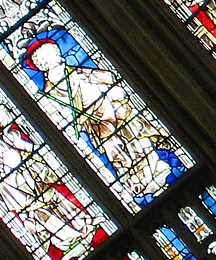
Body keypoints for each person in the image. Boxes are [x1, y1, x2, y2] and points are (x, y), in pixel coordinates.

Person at [23, 30, 184, 204]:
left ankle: (158, 171)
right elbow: (64, 115)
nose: (59, 55)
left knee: (140, 142)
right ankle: (142, 182)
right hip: (99, 124)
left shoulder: (75, 71)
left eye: (56, 51)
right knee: (120, 154)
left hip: (117, 111)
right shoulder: (51, 91)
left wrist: (110, 89)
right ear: (43, 63)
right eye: (53, 54)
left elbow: (107, 76)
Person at [0, 97, 105, 260]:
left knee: (55, 197)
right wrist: (2, 165)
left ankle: (83, 223)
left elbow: (20, 144)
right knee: (40, 211)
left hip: (26, 171)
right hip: (10, 184)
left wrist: (27, 149)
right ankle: (67, 238)